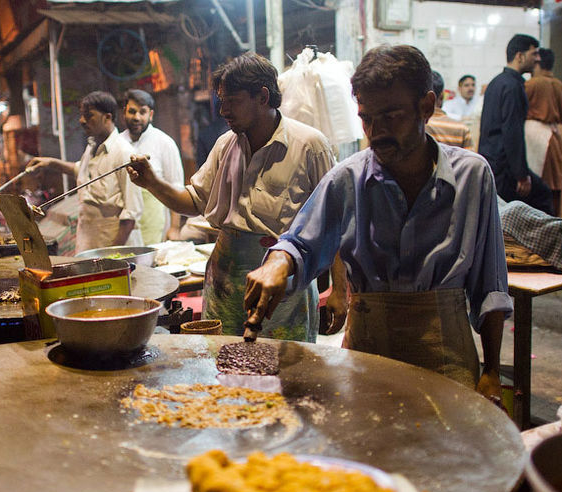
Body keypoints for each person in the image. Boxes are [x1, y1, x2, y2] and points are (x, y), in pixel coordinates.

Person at [244, 45, 513, 403]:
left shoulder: (472, 176)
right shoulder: (347, 178)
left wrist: (492, 372)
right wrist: (277, 263)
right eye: (367, 117)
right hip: (367, 352)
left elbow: (489, 285)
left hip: (446, 359)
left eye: (391, 116)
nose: (376, 131)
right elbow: (301, 242)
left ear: (426, 106)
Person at [128, 52, 343, 342]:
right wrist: (152, 182)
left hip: (284, 283)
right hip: (225, 280)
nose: (223, 110)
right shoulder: (225, 144)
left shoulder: (310, 145)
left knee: (285, 372)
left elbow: (335, 222)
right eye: (222, 101)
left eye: (232, 101)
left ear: (263, 96)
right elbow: (194, 202)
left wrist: (341, 291)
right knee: (224, 371)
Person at [28, 91, 143, 253]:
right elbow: (80, 171)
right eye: (82, 115)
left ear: (107, 117)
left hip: (114, 241)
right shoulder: (92, 146)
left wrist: (112, 254)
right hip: (89, 239)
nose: (82, 121)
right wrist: (51, 162)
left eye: (89, 116)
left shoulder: (123, 152)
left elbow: (131, 213)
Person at [479, 34, 554, 215]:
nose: (537, 58)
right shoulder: (513, 86)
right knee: (542, 196)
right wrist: (521, 175)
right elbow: (512, 131)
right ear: (520, 56)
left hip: (492, 163)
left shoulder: (496, 82)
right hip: (505, 169)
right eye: (534, 54)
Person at [119, 89, 185, 244]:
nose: (137, 117)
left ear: (151, 114)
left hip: (157, 222)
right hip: (124, 226)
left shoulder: (164, 142)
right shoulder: (118, 143)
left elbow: (176, 187)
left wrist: (175, 228)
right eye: (132, 112)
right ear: (124, 113)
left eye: (142, 112)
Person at [524, 48, 562, 215]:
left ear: (537, 62)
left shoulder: (530, 84)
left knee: (533, 189)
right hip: (554, 139)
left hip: (533, 139)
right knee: (554, 191)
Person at [426, 71, 473, 149]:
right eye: (467, 85)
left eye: (472, 85)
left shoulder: (415, 127)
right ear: (442, 97)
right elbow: (471, 160)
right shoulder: (462, 129)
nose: (470, 88)